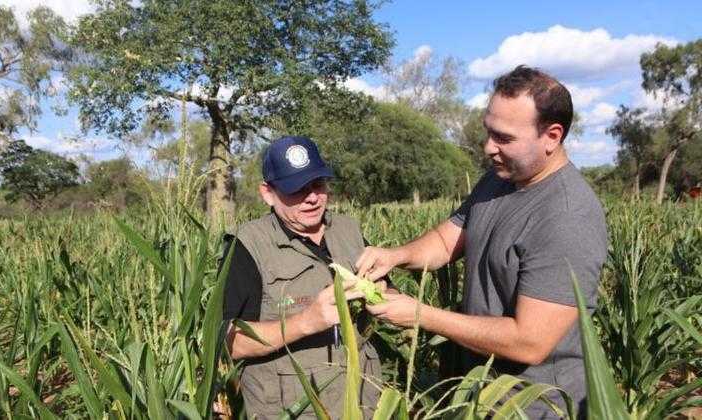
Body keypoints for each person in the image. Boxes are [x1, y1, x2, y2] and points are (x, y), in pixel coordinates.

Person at [356, 65, 607, 419]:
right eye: (488, 132)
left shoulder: (567, 217)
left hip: (534, 406)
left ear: (551, 136)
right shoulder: (500, 178)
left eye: (504, 138)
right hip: (481, 393)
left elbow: (529, 342)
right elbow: (447, 242)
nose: (488, 147)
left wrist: (420, 315)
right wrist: (395, 256)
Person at [222, 136, 384, 419]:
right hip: (292, 409)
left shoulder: (350, 231)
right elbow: (228, 340)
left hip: (362, 404)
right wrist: (306, 322)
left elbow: (387, 293)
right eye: (296, 189)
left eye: (317, 185)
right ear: (267, 193)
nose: (311, 197)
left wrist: (381, 293)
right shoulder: (247, 245)